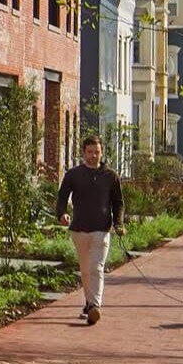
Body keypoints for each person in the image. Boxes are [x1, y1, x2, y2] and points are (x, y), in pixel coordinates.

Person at [55, 133, 124, 325]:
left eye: (97, 152)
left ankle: (95, 306)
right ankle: (88, 304)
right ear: (84, 153)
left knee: (96, 267)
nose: (94, 156)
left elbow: (118, 203)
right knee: (85, 270)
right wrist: (62, 214)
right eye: (90, 152)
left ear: (102, 153)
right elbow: (62, 197)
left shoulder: (110, 176)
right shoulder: (74, 175)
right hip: (79, 229)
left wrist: (118, 223)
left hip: (101, 229)